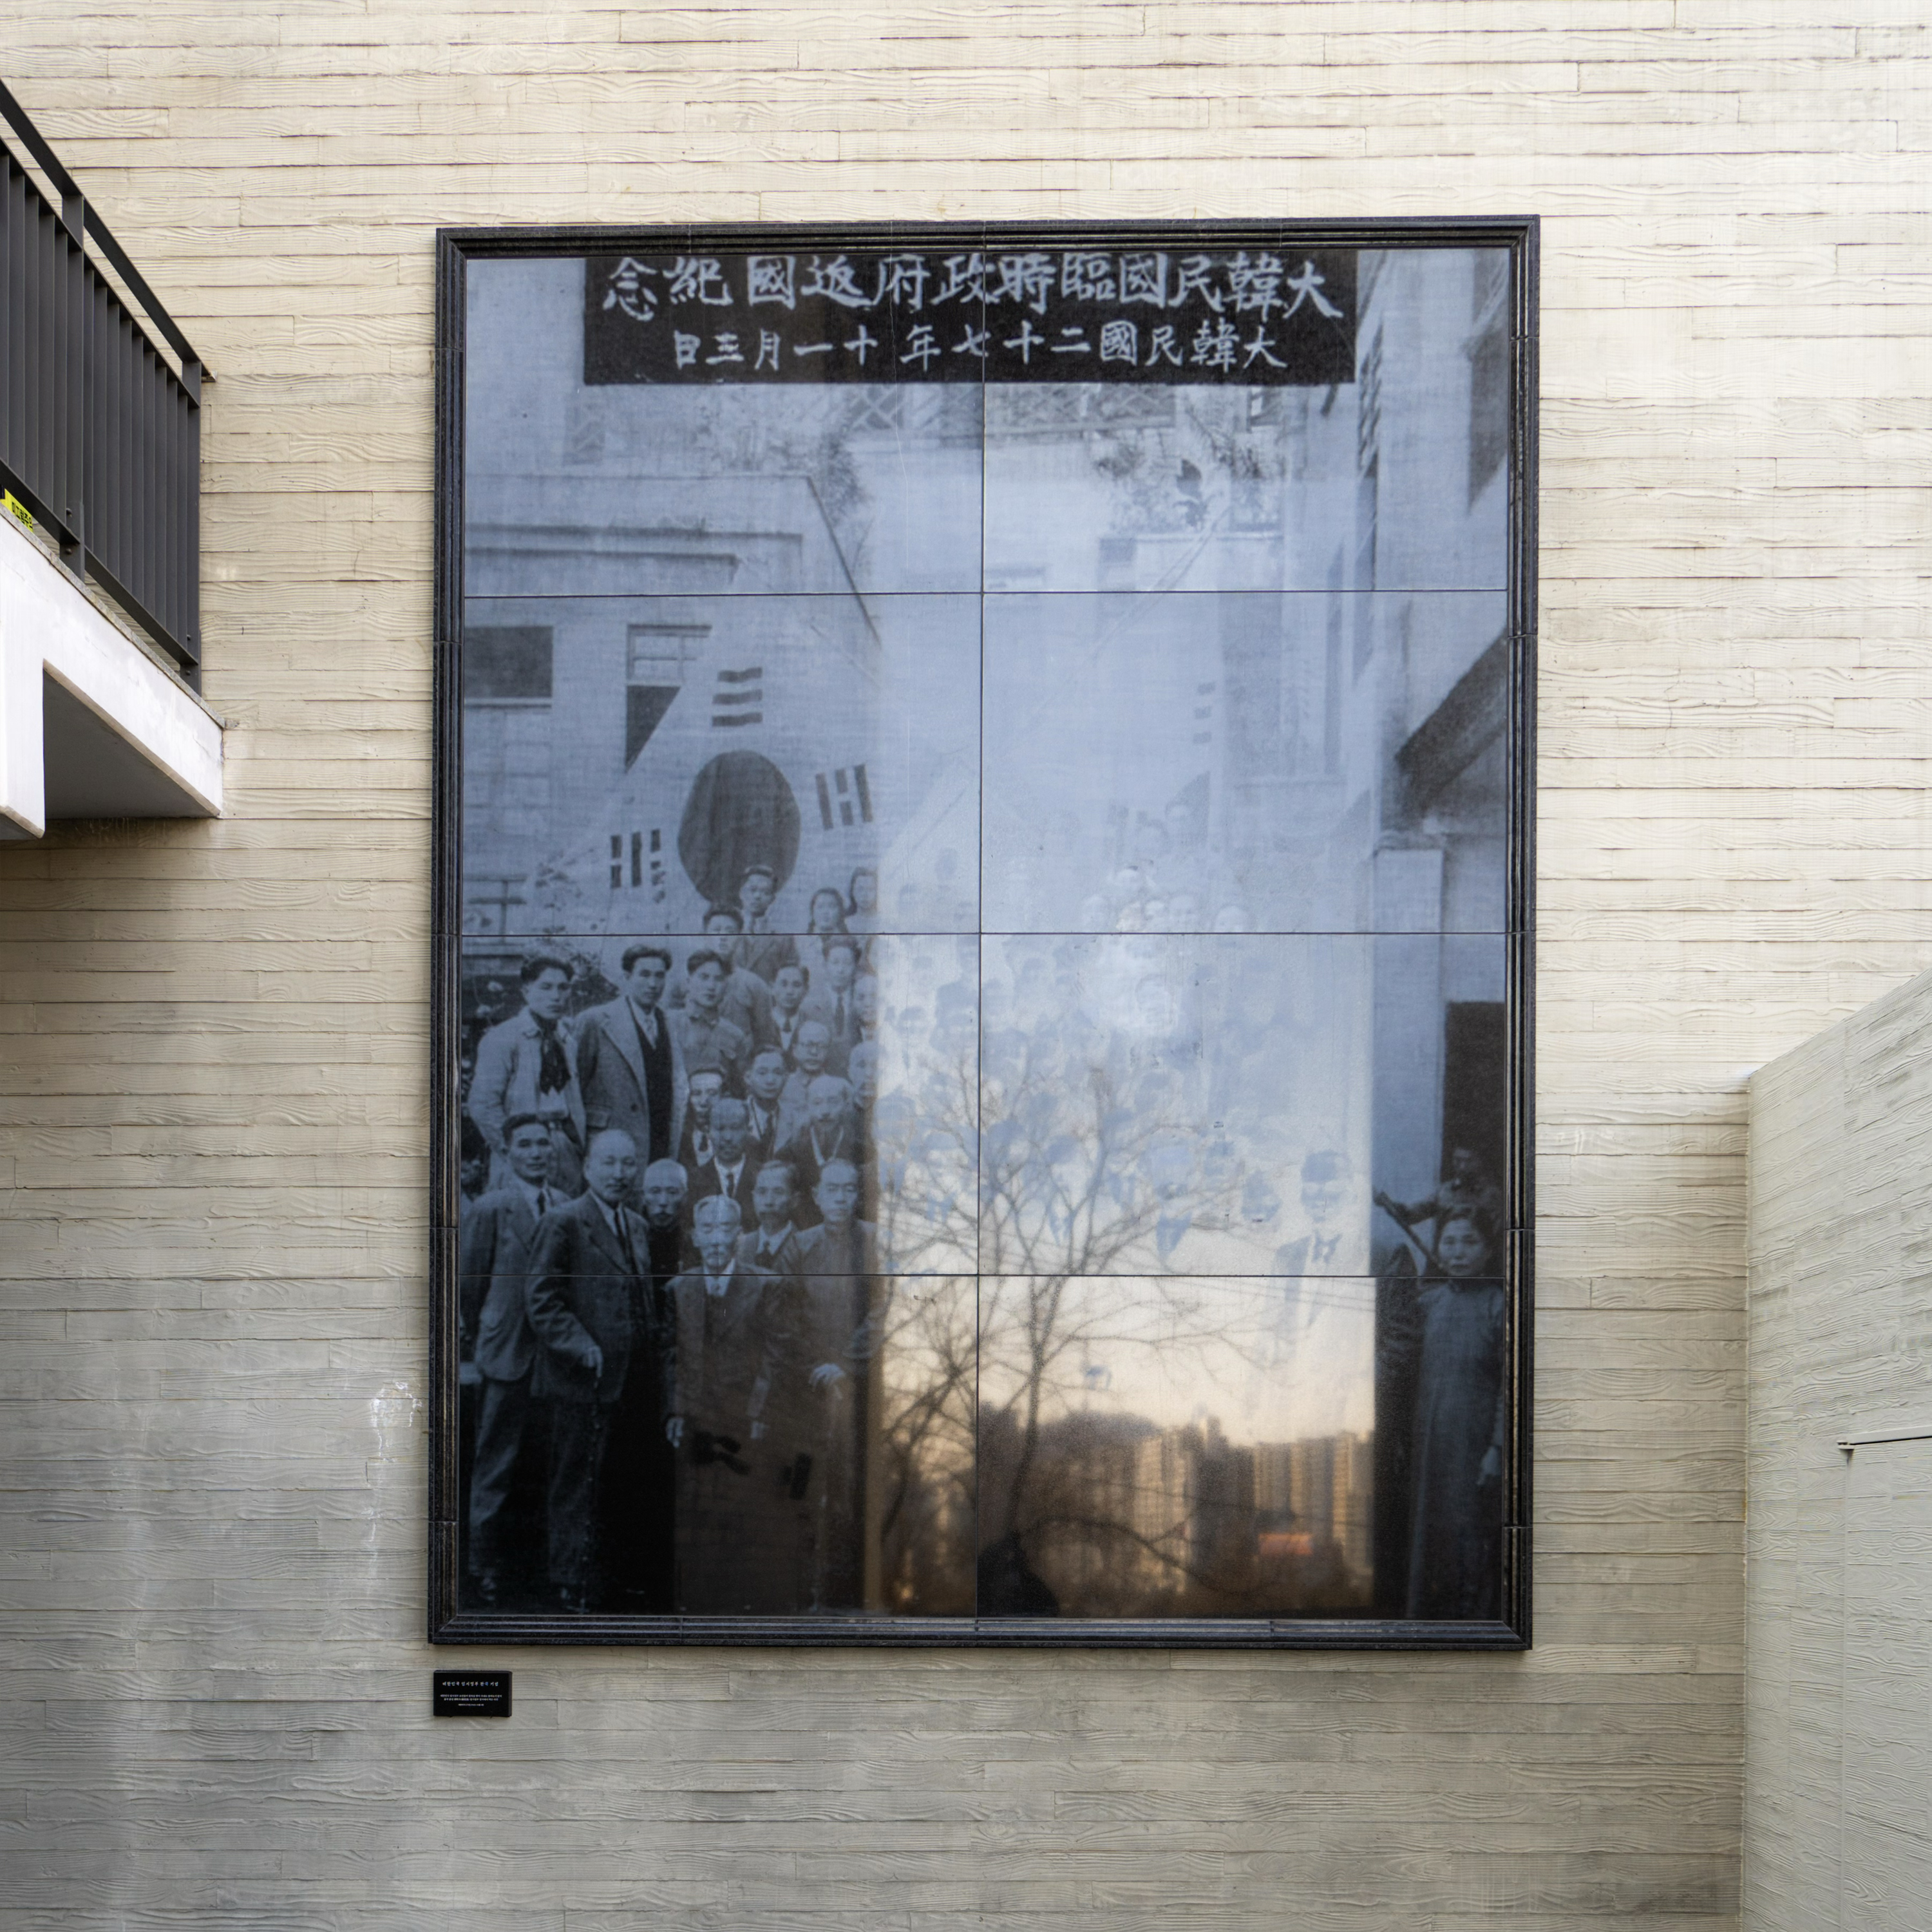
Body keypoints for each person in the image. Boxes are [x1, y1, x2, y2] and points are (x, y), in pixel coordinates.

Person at [524, 1129, 663, 1612]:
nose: (619, 1174)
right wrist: (581, 1345)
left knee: (619, 1484)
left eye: (628, 1164)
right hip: (581, 1381)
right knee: (576, 1484)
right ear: (587, 1168)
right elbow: (541, 1300)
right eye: (609, 1163)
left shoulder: (638, 1226)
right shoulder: (563, 1221)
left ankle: (610, 1579)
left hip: (632, 1381)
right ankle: (570, 1583)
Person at [665, 1196, 813, 1612]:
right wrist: (675, 1409)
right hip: (696, 1414)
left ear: (739, 1235)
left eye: (725, 1229)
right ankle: (698, 1601)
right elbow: (671, 1354)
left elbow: (776, 1355)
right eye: (708, 1230)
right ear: (695, 1237)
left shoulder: (766, 1285)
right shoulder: (677, 1289)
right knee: (696, 1504)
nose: (717, 1239)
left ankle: (742, 1601)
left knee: (744, 1503)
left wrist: (759, 1411)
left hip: (745, 1414)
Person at [1385, 1208, 1506, 1620]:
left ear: (1487, 1251)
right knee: (1427, 1533)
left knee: (1469, 1534)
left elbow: (1510, 1385)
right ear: (1438, 1249)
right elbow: (1398, 1362)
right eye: (1449, 1242)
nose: (1458, 1252)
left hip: (1474, 1447)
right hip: (1429, 1444)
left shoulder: (1498, 1306)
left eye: (1470, 1242)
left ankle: (1473, 1624)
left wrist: (1497, 1449)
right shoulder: (1428, 1304)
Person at [458, 1112, 556, 1606]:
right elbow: (470, 1284)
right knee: (495, 1460)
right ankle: (484, 1566)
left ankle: (537, 1564)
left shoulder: (564, 1204)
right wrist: (487, 1334)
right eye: (526, 1145)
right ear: (509, 1152)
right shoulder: (491, 1207)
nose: (536, 1153)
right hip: (505, 1353)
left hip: (552, 1357)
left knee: (545, 1458)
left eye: (543, 1144)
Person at [790, 1159, 881, 1608]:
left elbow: (881, 1310)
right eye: (833, 1190)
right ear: (818, 1196)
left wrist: (844, 1364)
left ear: (857, 1195)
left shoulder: (873, 1242)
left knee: (847, 1488)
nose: (841, 1198)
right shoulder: (800, 1245)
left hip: (855, 1384)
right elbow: (787, 1310)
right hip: (805, 1382)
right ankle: (801, 1588)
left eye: (849, 1190)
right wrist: (815, 1365)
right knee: (803, 1484)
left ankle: (840, 1593)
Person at [466, 953, 586, 1197]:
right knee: (521, 1213)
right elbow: (483, 1105)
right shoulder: (504, 1038)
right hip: (520, 1150)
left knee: (566, 1213)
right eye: (546, 987)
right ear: (526, 992)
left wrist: (576, 1146)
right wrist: (513, 1150)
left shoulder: (568, 1041)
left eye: (563, 988)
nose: (556, 996)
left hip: (564, 1146)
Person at [573, 943, 687, 1171]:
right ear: (627, 977)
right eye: (644, 975)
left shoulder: (669, 1023)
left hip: (659, 1139)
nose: (653, 984)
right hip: (612, 1145)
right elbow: (574, 1089)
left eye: (659, 976)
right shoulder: (596, 1021)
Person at [779, 1075, 865, 1226]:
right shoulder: (790, 1153)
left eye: (833, 1102)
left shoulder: (861, 1151)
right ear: (807, 1106)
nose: (825, 1111)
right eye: (817, 1103)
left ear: (846, 1105)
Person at [671, 947, 751, 1093]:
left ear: (726, 986)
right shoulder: (669, 1024)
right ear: (688, 982)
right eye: (704, 977)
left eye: (719, 979)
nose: (711, 986)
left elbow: (739, 1089)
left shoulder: (735, 1036)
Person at [687, 1096, 760, 1232]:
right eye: (720, 1129)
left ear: (748, 1130)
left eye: (736, 1129)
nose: (728, 1138)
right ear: (708, 1131)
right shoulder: (693, 1181)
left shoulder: (762, 1177)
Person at [802, 934, 862, 1074]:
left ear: (855, 967)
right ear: (825, 966)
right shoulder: (809, 1005)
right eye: (835, 963)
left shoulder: (862, 1002)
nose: (841, 970)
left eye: (847, 963)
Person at [738, 1159, 805, 1276]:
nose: (769, 1202)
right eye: (762, 1192)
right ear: (753, 1197)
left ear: (795, 1200)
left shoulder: (806, 1247)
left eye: (778, 1192)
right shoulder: (740, 1247)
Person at [739, 866, 800, 985]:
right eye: (753, 890)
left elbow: (791, 977)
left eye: (765, 892)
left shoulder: (784, 939)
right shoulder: (725, 929)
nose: (757, 896)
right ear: (741, 893)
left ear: (772, 899)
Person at [741, 1045, 789, 1167]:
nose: (770, 1081)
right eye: (762, 1073)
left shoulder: (796, 1121)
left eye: (778, 1073)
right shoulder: (736, 1116)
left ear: (786, 1077)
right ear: (748, 1077)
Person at [676, 1068, 726, 1175]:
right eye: (696, 1094)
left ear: (724, 1097)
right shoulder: (678, 1140)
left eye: (712, 1094)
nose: (703, 1102)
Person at [768, 961, 810, 1063]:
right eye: (784, 984)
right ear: (772, 988)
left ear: (806, 990)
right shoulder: (760, 1024)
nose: (790, 992)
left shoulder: (810, 1024)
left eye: (796, 985)